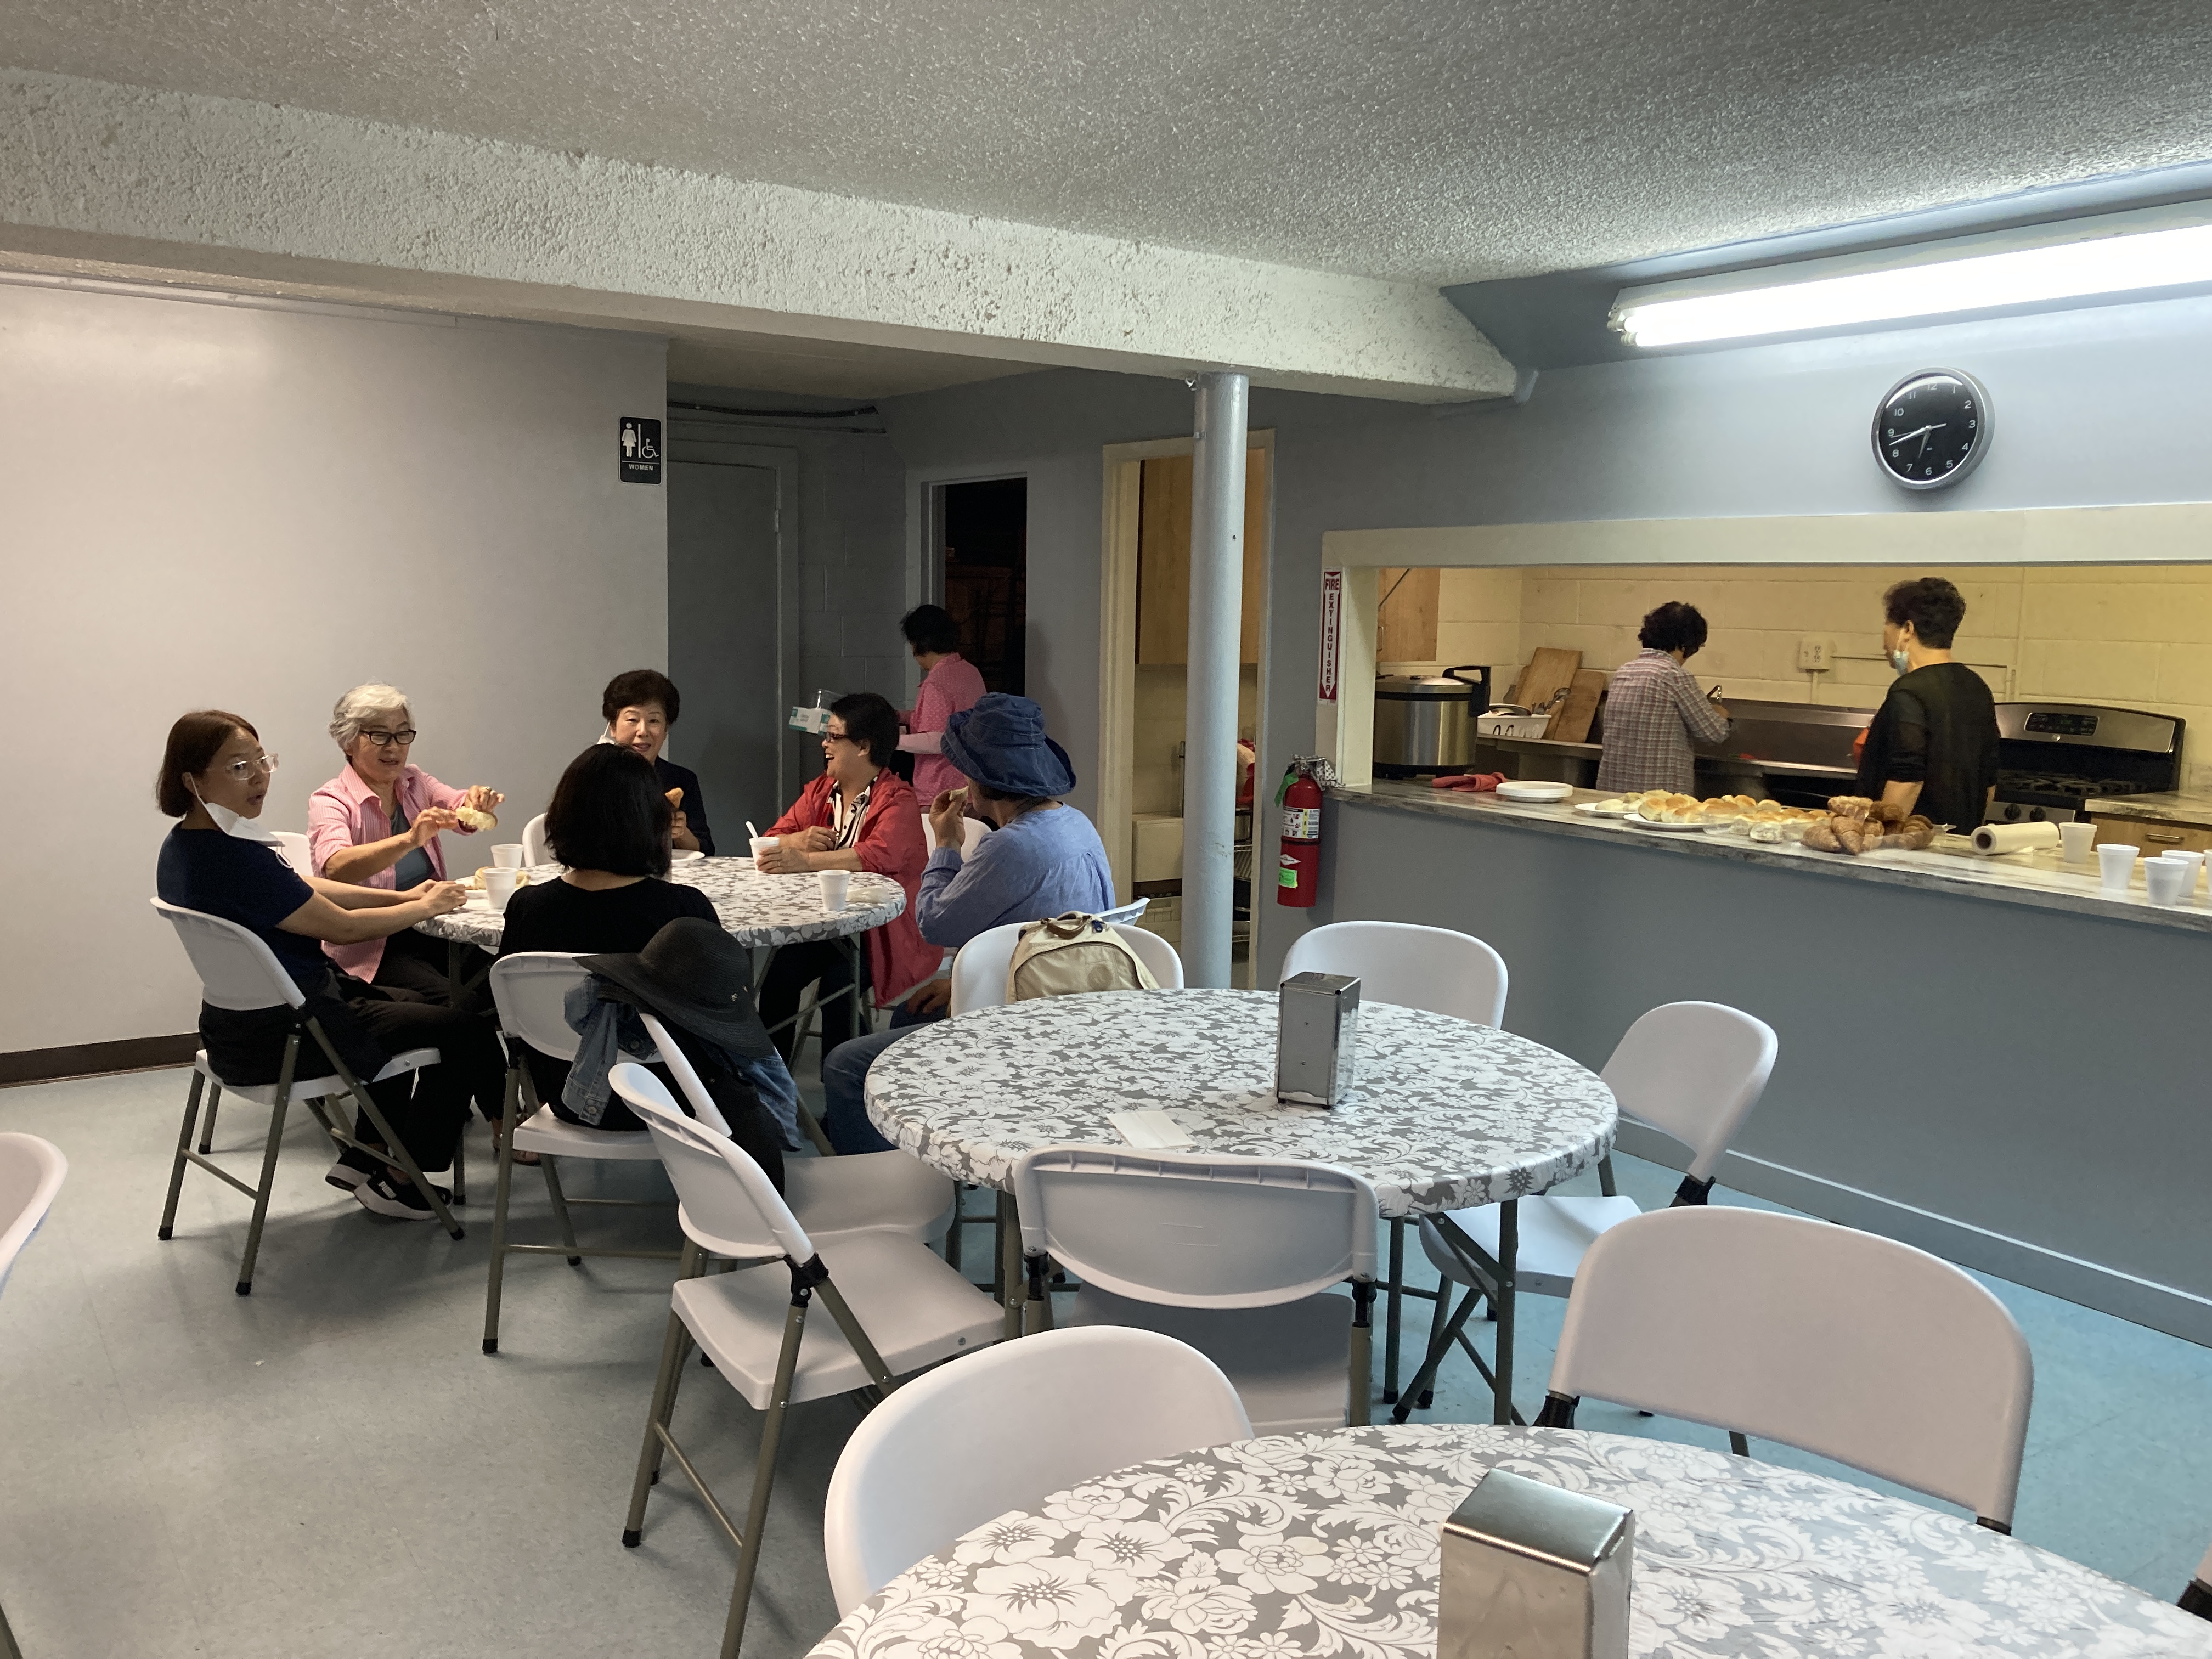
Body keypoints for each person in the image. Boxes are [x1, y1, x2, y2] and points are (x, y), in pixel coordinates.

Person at [155, 710, 506, 1221]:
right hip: (295, 1034)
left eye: (262, 762)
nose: (260, 778)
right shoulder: (238, 858)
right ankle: (403, 1177)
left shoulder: (188, 845)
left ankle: (368, 1157)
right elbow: (340, 928)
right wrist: (423, 907)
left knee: (410, 1005)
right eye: (239, 768)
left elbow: (306, 888)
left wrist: (405, 897)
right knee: (465, 1028)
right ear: (193, 781)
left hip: (237, 1030)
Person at [817, 692, 1115, 1154]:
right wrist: (964, 982)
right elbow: (1048, 933)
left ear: (978, 781)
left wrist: (946, 845)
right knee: (912, 1011)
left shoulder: (1009, 847)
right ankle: (930, 1141)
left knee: (845, 1065)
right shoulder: (1077, 824)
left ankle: (891, 1178)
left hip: (1019, 1025)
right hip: (1075, 1001)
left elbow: (934, 924)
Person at [496, 746, 787, 1172]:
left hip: (567, 1097)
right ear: (650, 821)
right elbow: (729, 1019)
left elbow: (509, 1025)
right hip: (677, 1101)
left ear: (562, 818)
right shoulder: (682, 908)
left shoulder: (526, 907)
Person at [755, 692, 935, 1065]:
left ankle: (844, 1082)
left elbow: (877, 854)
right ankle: (770, 1074)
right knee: (779, 978)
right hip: (826, 922)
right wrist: (796, 840)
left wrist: (806, 860)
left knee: (839, 988)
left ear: (864, 747)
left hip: (881, 929)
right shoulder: (821, 791)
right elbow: (772, 838)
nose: (825, 744)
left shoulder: (898, 800)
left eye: (834, 736)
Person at [308, 683, 503, 1000]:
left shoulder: (414, 781)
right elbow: (337, 867)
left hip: (432, 926)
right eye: (380, 735)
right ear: (348, 742)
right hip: (375, 942)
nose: (394, 747)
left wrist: (476, 803)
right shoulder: (331, 800)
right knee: (463, 1003)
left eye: (402, 734)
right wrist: (409, 839)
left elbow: (458, 807)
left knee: (509, 982)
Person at [1855, 577, 1999, 828]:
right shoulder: (1977, 687)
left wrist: (1880, 838)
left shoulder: (1909, 692)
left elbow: (1907, 781)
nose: (1883, 641)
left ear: (1907, 630)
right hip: (1961, 840)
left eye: (1888, 627)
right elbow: (1989, 782)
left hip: (1914, 840)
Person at [1595, 602, 1731, 796]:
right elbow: (1713, 734)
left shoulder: (1625, 672)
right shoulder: (1674, 676)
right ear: (1685, 645)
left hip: (1613, 794)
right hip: (1659, 798)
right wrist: (1721, 715)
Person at [601, 669, 714, 855]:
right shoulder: (593, 778)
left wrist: (680, 832)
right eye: (632, 720)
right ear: (613, 727)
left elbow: (706, 851)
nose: (643, 731)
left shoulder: (682, 780)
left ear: (666, 729)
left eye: (653, 720)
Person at [897, 605, 988, 804]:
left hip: (941, 790)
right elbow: (949, 719)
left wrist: (892, 741)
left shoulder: (936, 684)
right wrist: (901, 716)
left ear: (918, 644)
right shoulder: (970, 672)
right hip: (972, 784)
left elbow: (937, 740)